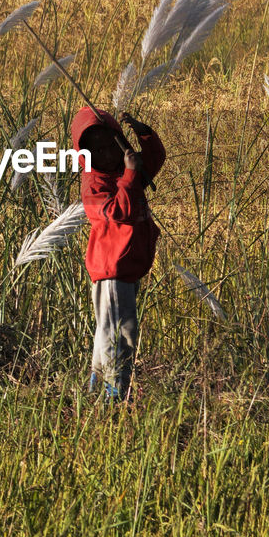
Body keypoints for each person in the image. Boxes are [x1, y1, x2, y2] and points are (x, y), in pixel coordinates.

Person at [68, 106, 166, 402]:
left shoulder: (125, 171)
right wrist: (130, 176)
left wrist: (143, 132)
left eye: (109, 145)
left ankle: (96, 390)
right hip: (111, 271)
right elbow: (116, 212)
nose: (106, 154)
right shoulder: (93, 185)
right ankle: (115, 394)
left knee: (106, 334)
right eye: (95, 151)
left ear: (119, 141)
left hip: (125, 268)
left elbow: (153, 160)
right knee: (121, 334)